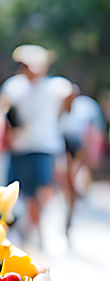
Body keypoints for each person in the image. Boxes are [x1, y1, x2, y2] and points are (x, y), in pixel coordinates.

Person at [0, 44, 75, 244]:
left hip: (45, 147)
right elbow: (3, 111)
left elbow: (71, 96)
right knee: (20, 192)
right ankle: (26, 226)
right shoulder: (14, 86)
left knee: (43, 188)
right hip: (21, 147)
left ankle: (36, 224)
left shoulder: (56, 86)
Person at [60, 88, 107, 233]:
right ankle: (71, 208)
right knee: (70, 181)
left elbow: (96, 131)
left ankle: (72, 208)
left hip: (80, 146)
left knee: (73, 179)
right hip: (67, 145)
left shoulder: (87, 105)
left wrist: (94, 153)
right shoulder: (63, 105)